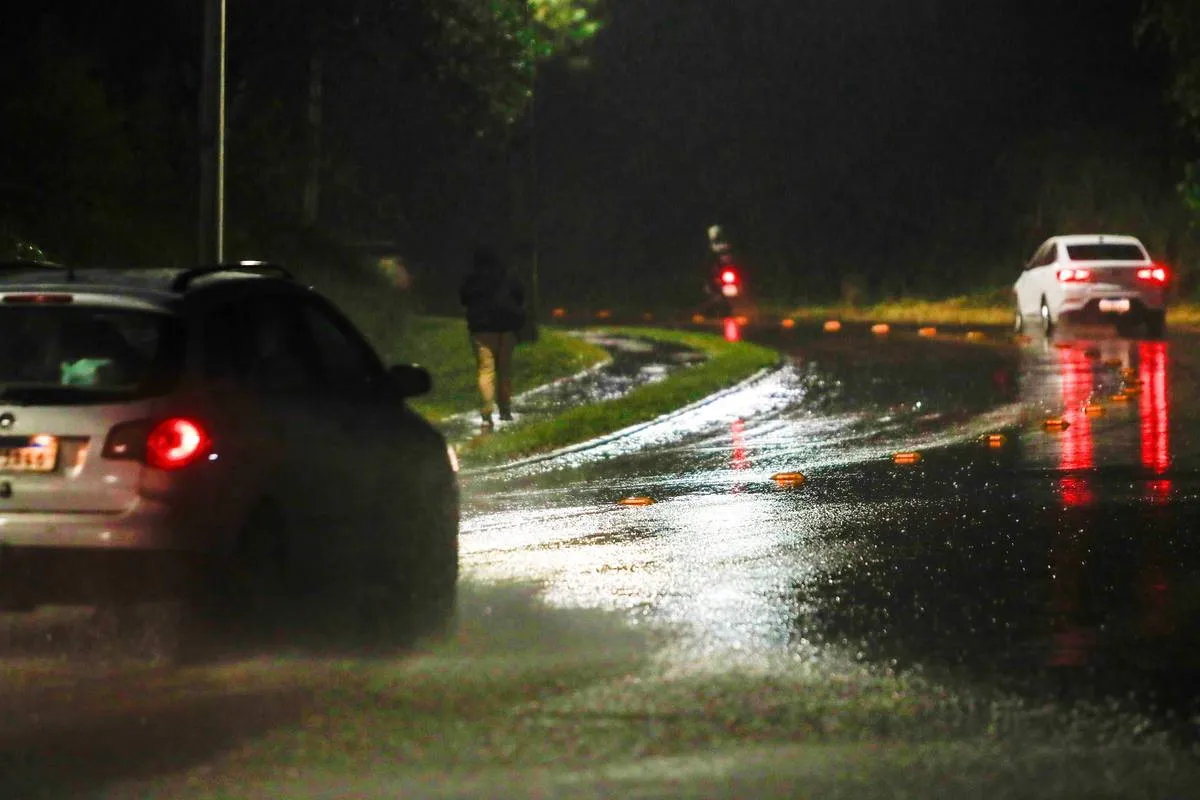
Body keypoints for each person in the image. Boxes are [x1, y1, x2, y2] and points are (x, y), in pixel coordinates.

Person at [459, 248, 526, 431]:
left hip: (481, 330)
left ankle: (487, 411)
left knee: (485, 369)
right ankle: (505, 410)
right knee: (504, 370)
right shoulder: (507, 275)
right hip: (506, 328)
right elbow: (520, 296)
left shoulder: (473, 279)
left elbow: (464, 299)